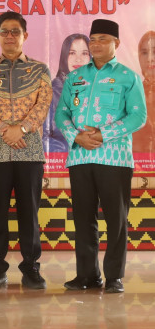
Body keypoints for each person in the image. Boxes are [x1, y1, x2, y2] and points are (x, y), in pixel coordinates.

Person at [56, 19, 147, 294]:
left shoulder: (128, 77)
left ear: (116, 43)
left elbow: (138, 116)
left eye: (102, 39)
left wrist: (103, 134)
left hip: (114, 159)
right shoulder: (75, 77)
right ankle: (87, 275)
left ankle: (114, 277)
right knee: (83, 219)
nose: (95, 44)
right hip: (80, 158)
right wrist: (76, 136)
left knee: (116, 220)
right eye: (93, 39)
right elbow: (62, 114)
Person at [0, 12, 52, 289]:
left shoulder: (40, 70)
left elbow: (43, 106)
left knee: (29, 212)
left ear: (24, 36)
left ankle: (31, 268)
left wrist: (23, 128)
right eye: (4, 31)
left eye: (15, 31)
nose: (9, 36)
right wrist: (5, 130)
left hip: (30, 151)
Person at [44, 34, 90, 153]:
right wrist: (76, 144)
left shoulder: (99, 87)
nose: (78, 59)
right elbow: (44, 138)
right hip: (62, 158)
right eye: (72, 53)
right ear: (64, 56)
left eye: (84, 53)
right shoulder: (52, 90)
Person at [132, 31, 155, 153]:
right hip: (138, 162)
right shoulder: (132, 92)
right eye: (144, 53)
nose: (150, 59)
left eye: (154, 52)